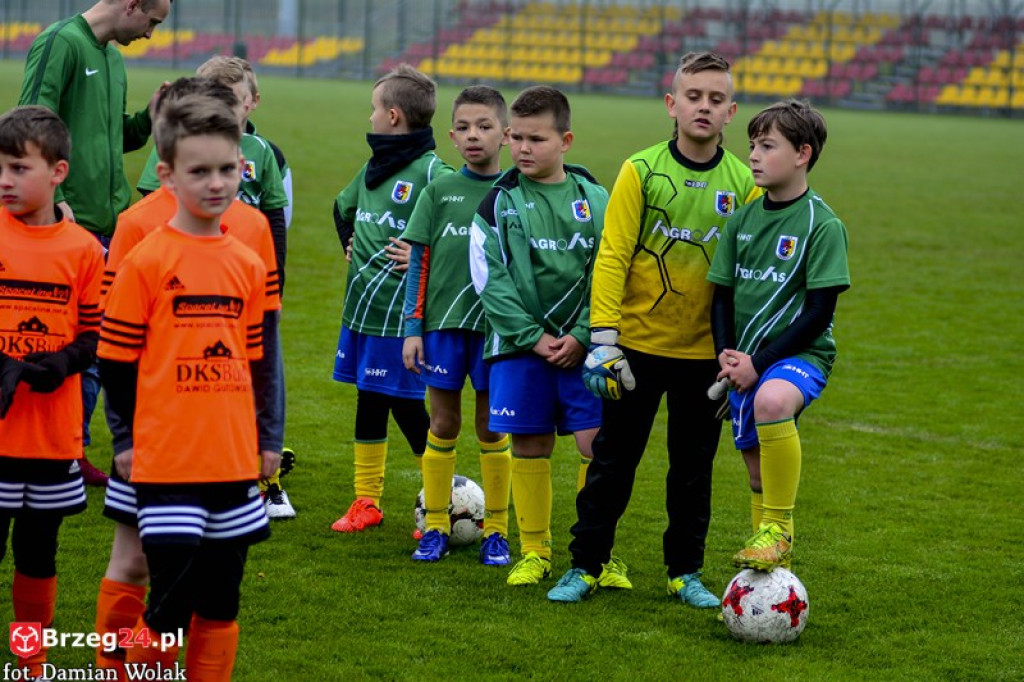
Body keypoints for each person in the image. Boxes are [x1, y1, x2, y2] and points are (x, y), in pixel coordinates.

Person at [547, 52, 762, 606]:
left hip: (705, 360)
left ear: (731, 112)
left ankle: (684, 572)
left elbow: (752, 277)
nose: (704, 107)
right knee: (612, 464)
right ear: (672, 103)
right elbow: (613, 256)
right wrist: (604, 342)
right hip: (634, 350)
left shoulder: (744, 183)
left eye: (716, 100)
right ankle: (585, 566)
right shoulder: (639, 170)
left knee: (692, 472)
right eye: (694, 96)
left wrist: (738, 357)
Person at [92, 77, 287, 676]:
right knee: (164, 597)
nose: (217, 183)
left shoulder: (250, 254)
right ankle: (113, 668)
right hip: (165, 455)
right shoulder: (144, 250)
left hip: (231, 457)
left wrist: (266, 439)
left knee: (222, 601)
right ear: (167, 173)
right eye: (200, 171)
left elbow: (259, 357)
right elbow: (116, 358)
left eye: (227, 170)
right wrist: (124, 440)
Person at [18, 0, 173, 487]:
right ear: (130, 5)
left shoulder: (112, 58)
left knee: (97, 342)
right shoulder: (61, 42)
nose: (150, 33)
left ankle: (70, 446)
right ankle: (55, 448)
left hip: (109, 225)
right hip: (68, 221)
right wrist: (54, 201)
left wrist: (147, 119)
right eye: (151, 21)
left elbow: (108, 139)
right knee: (61, 339)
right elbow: (29, 126)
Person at [469, 85, 607, 586]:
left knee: (597, 446)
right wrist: (532, 337)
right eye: (517, 138)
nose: (524, 148)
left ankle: (597, 551)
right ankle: (536, 551)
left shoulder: (596, 199)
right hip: (519, 349)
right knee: (530, 444)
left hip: (584, 350)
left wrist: (582, 334)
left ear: (566, 140)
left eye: (538, 139)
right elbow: (489, 279)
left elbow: (610, 272)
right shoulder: (498, 203)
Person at [707, 99, 850, 571]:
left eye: (767, 146)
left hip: (799, 355)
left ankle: (779, 531)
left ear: (802, 154)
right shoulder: (741, 221)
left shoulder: (822, 224)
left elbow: (818, 312)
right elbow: (722, 297)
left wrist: (758, 363)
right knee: (756, 473)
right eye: (751, 145)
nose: (752, 156)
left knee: (772, 403)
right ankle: (771, 565)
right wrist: (728, 357)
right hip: (745, 362)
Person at [0, 105, 104, 678]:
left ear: (58, 171)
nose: (4, 180)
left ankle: (28, 655)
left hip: (49, 435)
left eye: (18, 168)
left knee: (38, 555)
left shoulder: (84, 250)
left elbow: (95, 334)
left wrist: (61, 361)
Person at [330, 64, 452, 533]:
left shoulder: (433, 172)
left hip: (402, 318)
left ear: (395, 116)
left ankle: (441, 501)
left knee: (404, 406)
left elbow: (459, 235)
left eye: (374, 109)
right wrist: (350, 242)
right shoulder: (372, 168)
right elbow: (342, 207)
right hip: (361, 311)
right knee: (369, 400)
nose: (371, 117)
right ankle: (367, 501)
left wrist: (427, 256)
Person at [401, 85, 512, 564]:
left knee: (491, 427)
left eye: (485, 127)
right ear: (450, 135)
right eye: (464, 127)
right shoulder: (439, 190)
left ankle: (498, 531)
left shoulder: (513, 192)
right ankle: (438, 526)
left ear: (505, 135)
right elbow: (418, 262)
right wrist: (411, 326)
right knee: (442, 421)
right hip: (443, 329)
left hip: (497, 330)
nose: (474, 136)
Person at [136, 56, 289, 292]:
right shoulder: (174, 143)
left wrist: (276, 279)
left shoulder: (261, 150)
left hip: (242, 265)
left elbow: (275, 218)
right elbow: (151, 203)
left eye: (231, 101)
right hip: (182, 260)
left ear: (247, 104)